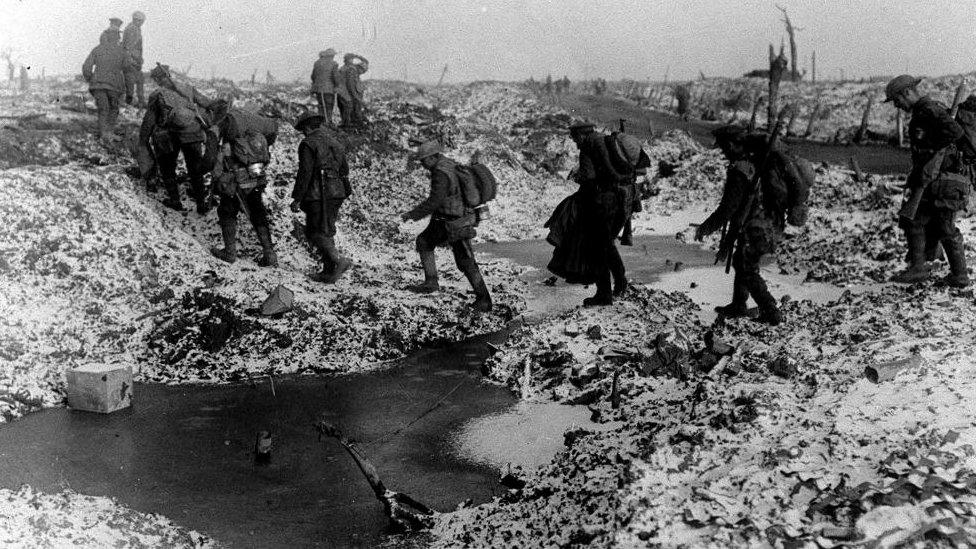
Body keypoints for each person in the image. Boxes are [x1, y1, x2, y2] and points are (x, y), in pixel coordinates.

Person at [694, 125, 785, 325]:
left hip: (756, 228)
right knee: (740, 261)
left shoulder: (741, 170)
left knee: (747, 268)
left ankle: (770, 310)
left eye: (725, 146)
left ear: (733, 144)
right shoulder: (755, 162)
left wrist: (706, 228)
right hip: (769, 225)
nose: (723, 151)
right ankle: (738, 305)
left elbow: (728, 208)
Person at [886, 75, 969, 287]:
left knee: (944, 227)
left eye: (897, 100)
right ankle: (919, 268)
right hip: (931, 181)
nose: (897, 105)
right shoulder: (923, 112)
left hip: (942, 181)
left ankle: (957, 275)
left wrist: (934, 151)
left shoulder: (929, 110)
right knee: (915, 220)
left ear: (907, 93)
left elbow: (955, 132)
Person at [400, 141, 492, 312]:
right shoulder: (448, 164)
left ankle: (484, 299)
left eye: (424, 160)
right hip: (446, 218)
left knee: (466, 261)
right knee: (424, 242)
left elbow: (435, 200)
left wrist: (412, 214)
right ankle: (431, 282)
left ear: (433, 157)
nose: (422, 164)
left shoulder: (441, 173)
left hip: (455, 221)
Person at [208, 102, 280, 267]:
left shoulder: (227, 133)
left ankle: (230, 252)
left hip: (237, 180)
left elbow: (216, 165)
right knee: (258, 212)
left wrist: (216, 175)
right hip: (256, 176)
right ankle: (270, 254)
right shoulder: (252, 127)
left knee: (226, 211)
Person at [139, 63, 216, 212]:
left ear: (156, 79)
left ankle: (175, 201)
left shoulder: (157, 94)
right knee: (195, 169)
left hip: (169, 137)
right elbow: (208, 103)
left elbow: (149, 120)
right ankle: (201, 204)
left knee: (167, 168)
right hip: (192, 133)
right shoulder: (187, 88)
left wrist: (143, 140)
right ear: (169, 74)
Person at [290, 112, 353, 283]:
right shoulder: (335, 141)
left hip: (318, 194)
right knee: (326, 230)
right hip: (337, 192)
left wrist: (297, 198)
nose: (303, 133)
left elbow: (305, 173)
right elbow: (344, 170)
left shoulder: (308, 143)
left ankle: (339, 261)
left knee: (314, 233)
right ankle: (328, 271)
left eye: (303, 129)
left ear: (307, 127)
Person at [82, 28, 130, 140]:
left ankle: (104, 133)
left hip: (98, 85)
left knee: (103, 108)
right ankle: (108, 133)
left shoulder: (97, 49)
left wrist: (91, 79)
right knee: (113, 108)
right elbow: (127, 67)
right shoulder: (122, 51)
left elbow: (86, 67)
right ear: (118, 38)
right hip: (114, 85)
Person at [337, 53, 369, 129]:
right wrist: (356, 96)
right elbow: (350, 85)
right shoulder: (352, 70)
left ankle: (348, 124)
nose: (362, 73)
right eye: (362, 71)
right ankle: (348, 126)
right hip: (344, 93)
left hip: (341, 93)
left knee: (346, 109)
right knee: (349, 108)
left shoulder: (344, 68)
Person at [122, 11, 146, 107]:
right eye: (141, 21)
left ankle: (140, 101)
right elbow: (127, 47)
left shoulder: (135, 29)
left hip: (134, 61)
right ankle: (131, 102)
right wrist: (131, 59)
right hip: (131, 61)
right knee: (131, 82)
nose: (142, 23)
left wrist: (139, 59)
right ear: (136, 20)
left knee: (139, 80)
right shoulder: (132, 29)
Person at [311, 49, 340, 126]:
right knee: (329, 105)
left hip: (318, 89)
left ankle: (321, 122)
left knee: (321, 105)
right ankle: (328, 122)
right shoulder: (334, 64)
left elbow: (313, 76)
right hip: (328, 89)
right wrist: (337, 86)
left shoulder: (317, 63)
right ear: (332, 56)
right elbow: (336, 76)